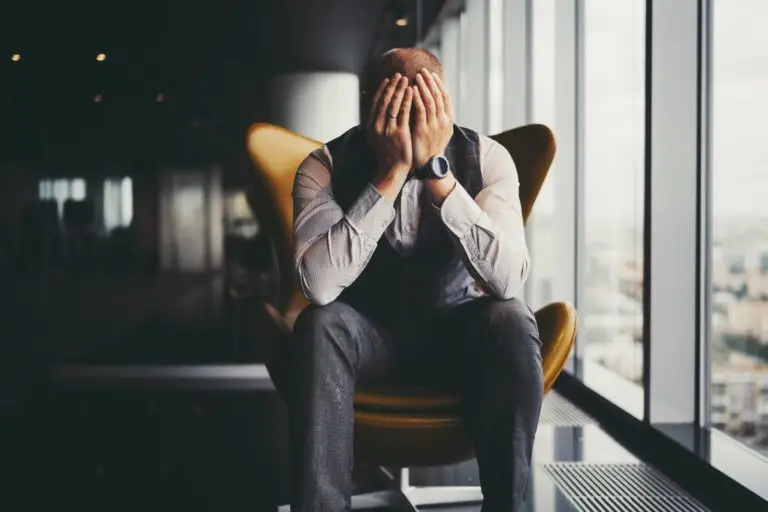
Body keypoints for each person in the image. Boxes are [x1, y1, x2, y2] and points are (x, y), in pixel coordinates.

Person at [288, 47, 543, 512]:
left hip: (456, 338)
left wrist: (438, 178)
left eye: (423, 106)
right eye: (396, 107)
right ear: (371, 107)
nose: (410, 120)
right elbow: (318, 286)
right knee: (319, 324)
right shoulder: (322, 166)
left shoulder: (489, 158)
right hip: (367, 340)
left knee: (512, 318)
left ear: (443, 104)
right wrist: (390, 176)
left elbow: (507, 281)